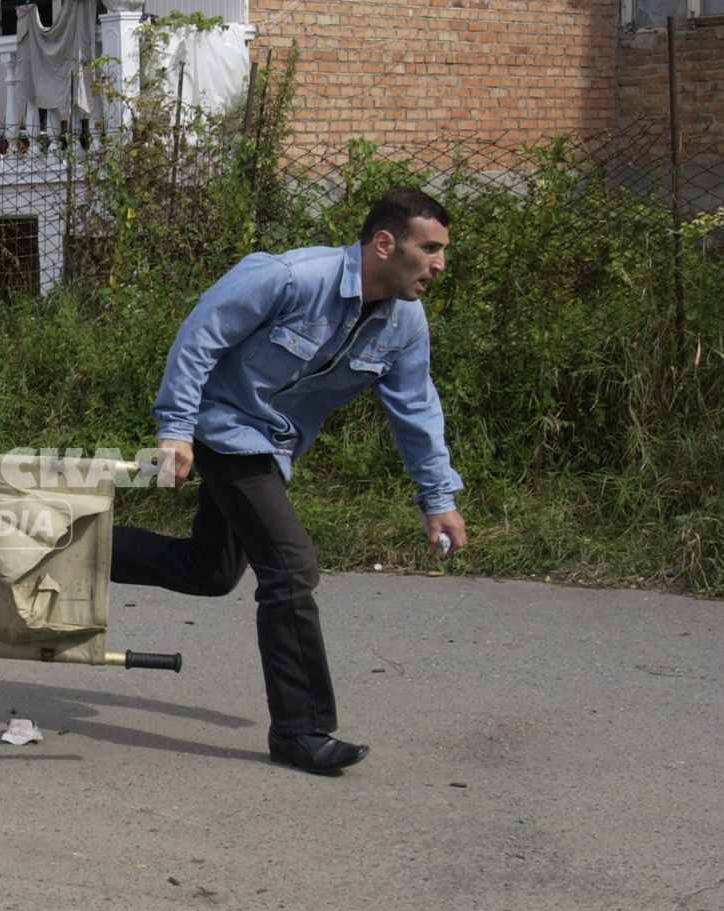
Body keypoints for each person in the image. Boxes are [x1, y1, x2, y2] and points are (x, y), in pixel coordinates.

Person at [112, 188, 467, 775]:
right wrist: (174, 429)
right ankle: (301, 731)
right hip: (222, 428)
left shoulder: (405, 324)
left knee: (211, 571)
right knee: (291, 567)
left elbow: (416, 410)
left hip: (271, 449)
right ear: (385, 243)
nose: (439, 263)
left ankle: (69, 544)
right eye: (430, 248)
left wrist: (438, 499)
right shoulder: (291, 277)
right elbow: (201, 336)